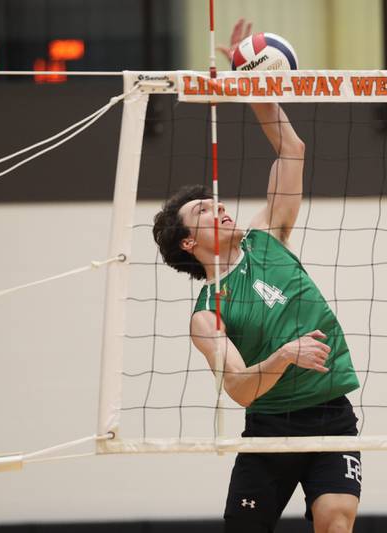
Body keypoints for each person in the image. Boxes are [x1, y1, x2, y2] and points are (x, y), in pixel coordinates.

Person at [152, 19, 361, 533]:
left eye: (216, 202)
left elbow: (292, 152)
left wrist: (255, 90)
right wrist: (285, 355)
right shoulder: (207, 315)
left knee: (335, 521)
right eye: (203, 210)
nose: (218, 209)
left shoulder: (267, 236)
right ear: (186, 242)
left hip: (332, 416)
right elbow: (242, 391)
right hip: (268, 432)